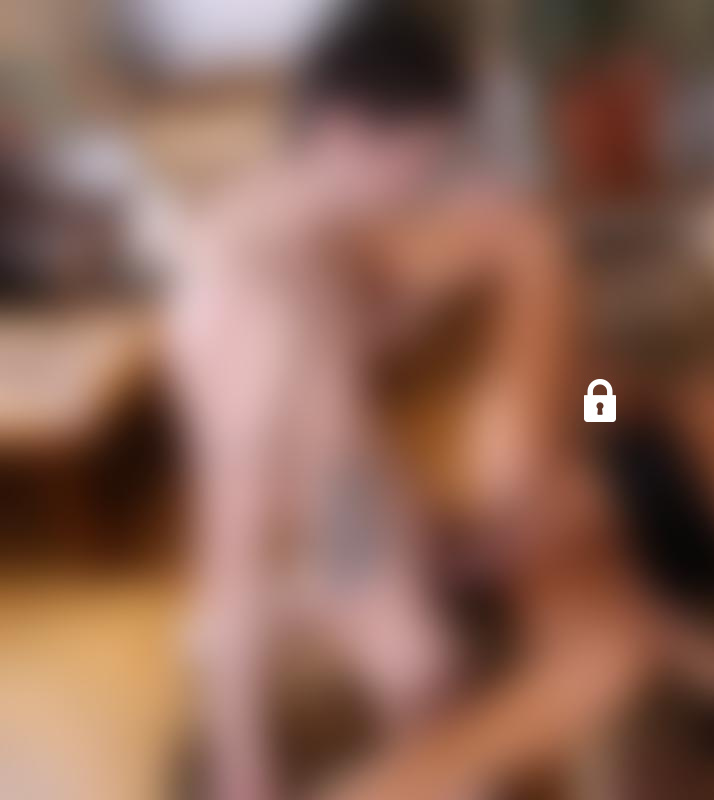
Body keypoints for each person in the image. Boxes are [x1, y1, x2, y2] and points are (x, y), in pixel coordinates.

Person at [169, 5, 640, 798]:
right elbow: (233, 546)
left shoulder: (308, 227)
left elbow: (359, 357)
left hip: (382, 491)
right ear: (343, 129)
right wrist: (243, 764)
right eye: (418, 157)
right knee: (454, 685)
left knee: (459, 657)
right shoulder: (257, 300)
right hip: (349, 518)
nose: (423, 182)